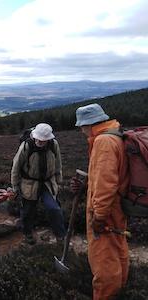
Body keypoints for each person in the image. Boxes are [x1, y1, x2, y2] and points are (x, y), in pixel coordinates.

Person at [70, 103, 129, 300]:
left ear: (89, 124)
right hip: (118, 208)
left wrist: (99, 216)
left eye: (81, 126)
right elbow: (108, 176)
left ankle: (106, 295)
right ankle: (120, 290)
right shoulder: (115, 133)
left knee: (103, 259)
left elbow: (106, 184)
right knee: (118, 248)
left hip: (106, 212)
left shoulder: (103, 142)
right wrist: (87, 185)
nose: (80, 130)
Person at [11, 123, 66, 245]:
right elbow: (16, 166)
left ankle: (61, 235)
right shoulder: (26, 146)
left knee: (54, 208)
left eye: (43, 140)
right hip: (29, 184)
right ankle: (28, 233)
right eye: (39, 139)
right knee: (28, 211)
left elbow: (58, 163)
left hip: (48, 183)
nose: (40, 142)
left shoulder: (53, 144)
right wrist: (15, 186)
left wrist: (59, 180)